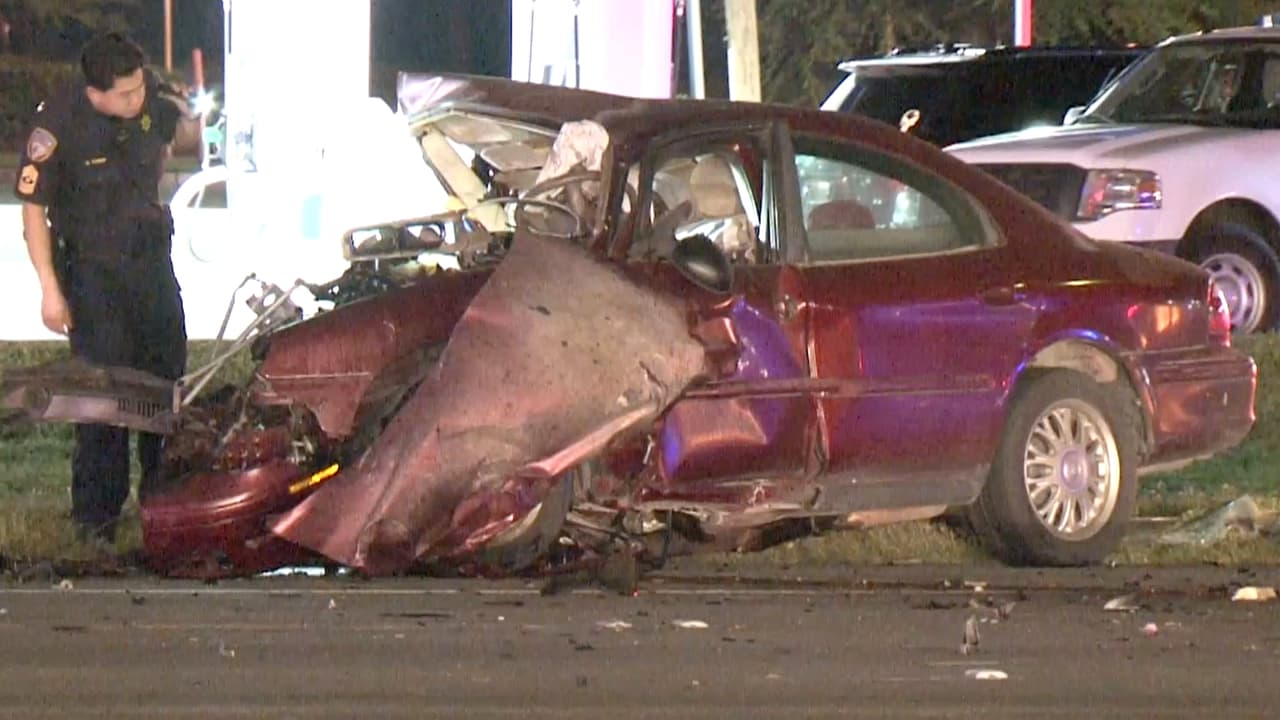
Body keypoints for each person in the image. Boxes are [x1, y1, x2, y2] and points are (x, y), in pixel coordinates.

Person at [14, 32, 200, 543]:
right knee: (104, 398)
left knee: (167, 387)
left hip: (150, 266)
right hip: (93, 273)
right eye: (123, 94)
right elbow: (34, 214)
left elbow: (169, 131)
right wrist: (50, 289)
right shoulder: (57, 124)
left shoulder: (151, 100)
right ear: (94, 91)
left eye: (138, 88)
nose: (134, 100)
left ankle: (165, 510)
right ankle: (97, 520)